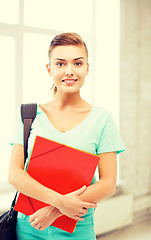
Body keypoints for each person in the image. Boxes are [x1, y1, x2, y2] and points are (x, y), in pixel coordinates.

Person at [9, 32, 125, 240]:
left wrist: (54, 212)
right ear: (49, 68)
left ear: (87, 68)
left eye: (77, 63)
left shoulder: (102, 119)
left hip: (77, 228)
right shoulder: (29, 115)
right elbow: (15, 175)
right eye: (60, 64)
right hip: (28, 224)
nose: (69, 71)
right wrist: (59, 202)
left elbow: (108, 184)